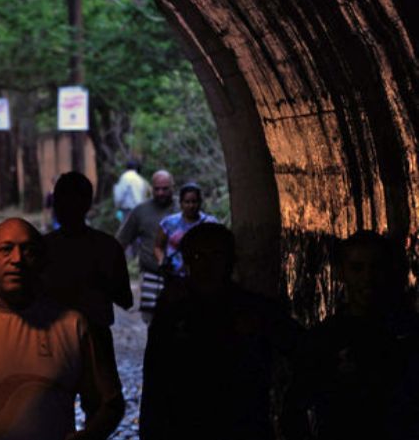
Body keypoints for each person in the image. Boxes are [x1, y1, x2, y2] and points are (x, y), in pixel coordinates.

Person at [0, 218, 126, 440]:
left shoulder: (72, 327)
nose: (17, 259)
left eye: (28, 250)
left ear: (41, 261)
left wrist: (89, 436)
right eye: (5, 249)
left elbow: (109, 403)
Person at [139, 223, 299, 440]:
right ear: (187, 261)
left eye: (216, 255)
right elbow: (154, 380)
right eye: (198, 256)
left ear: (230, 260)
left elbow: (302, 349)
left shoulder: (253, 310)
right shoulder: (172, 312)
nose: (207, 265)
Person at [282, 230, 419, 440]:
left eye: (376, 267)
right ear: (341, 273)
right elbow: (294, 410)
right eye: (357, 268)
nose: (367, 278)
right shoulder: (325, 339)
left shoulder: (409, 333)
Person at [45, 172, 133, 329]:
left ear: (55, 204)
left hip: (53, 338)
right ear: (88, 204)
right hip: (96, 335)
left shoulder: (41, 247)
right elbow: (125, 300)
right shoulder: (108, 247)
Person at [117, 170, 175, 323]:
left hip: (179, 276)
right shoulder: (140, 211)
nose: (161, 193)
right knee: (152, 321)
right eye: (157, 189)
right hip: (150, 274)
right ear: (151, 188)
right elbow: (122, 241)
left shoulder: (183, 208)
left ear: (172, 187)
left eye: (165, 188)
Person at [153, 182, 218, 276]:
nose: (191, 206)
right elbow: (158, 246)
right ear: (181, 203)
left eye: (194, 202)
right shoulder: (169, 223)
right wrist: (162, 261)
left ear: (200, 202)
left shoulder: (210, 223)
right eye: (187, 202)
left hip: (203, 275)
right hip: (174, 274)